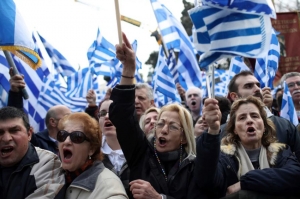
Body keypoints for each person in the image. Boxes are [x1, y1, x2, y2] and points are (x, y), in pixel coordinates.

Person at [109, 32, 196, 199]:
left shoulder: (193, 166)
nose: (163, 130)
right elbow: (121, 116)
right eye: (160, 124)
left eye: (172, 126)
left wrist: (159, 198)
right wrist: (128, 69)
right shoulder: (141, 153)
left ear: (184, 137)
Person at [189, 96, 300, 198]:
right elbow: (206, 180)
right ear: (235, 130)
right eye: (242, 118)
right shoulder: (224, 158)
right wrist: (213, 130)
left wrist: (245, 182)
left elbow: (295, 176)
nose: (249, 120)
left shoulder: (282, 152)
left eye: (255, 116)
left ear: (264, 126)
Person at [222, 70, 300, 160]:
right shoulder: (221, 132)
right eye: (248, 86)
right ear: (234, 96)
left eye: (258, 85)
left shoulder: (285, 126)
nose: (257, 89)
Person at [57, 112, 128, 199]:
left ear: (91, 149)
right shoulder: (49, 174)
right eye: (62, 135)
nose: (66, 141)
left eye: (77, 137)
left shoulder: (109, 188)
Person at [0, 106, 65, 199]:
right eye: (0, 132)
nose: (6, 139)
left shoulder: (46, 163)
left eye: (14, 131)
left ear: (29, 134)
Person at [7, 68, 71, 154]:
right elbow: (16, 120)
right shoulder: (37, 144)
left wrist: (92, 106)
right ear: (53, 122)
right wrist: (15, 93)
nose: (71, 120)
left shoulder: (73, 141)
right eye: (67, 116)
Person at [98, 99, 132, 198]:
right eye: (102, 113)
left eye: (114, 112)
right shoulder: (90, 154)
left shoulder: (141, 151)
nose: (107, 116)